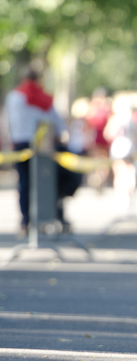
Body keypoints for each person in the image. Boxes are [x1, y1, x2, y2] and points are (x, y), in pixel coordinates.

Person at [5, 66, 81, 235]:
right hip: (43, 145)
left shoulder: (14, 96)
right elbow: (57, 123)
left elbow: (10, 123)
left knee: (25, 183)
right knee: (50, 181)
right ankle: (56, 216)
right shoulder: (44, 98)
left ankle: (26, 221)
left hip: (21, 145)